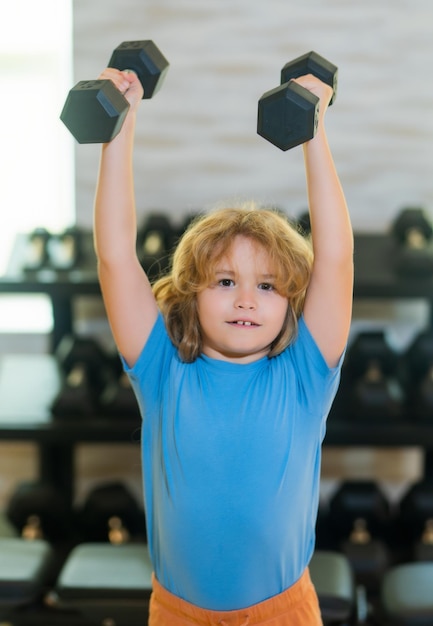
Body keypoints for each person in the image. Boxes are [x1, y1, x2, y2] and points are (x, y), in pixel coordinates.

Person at [93, 64, 353, 626]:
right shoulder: (162, 370)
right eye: (225, 281)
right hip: (177, 613)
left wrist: (314, 131)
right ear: (191, 291)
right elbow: (116, 255)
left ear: (290, 301)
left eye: (266, 286)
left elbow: (335, 257)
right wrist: (120, 125)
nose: (246, 301)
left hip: (283, 613)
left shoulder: (304, 375)